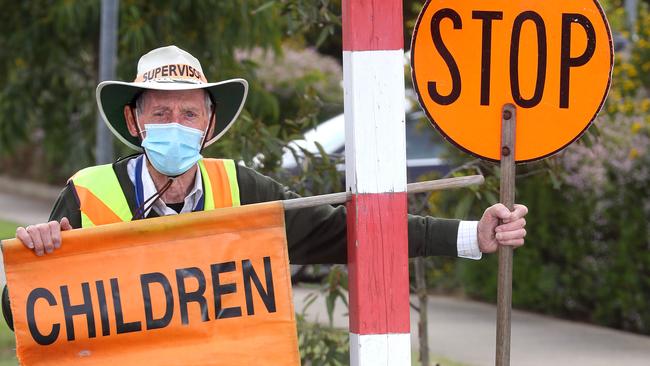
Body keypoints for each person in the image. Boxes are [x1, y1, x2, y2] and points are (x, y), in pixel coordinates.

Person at [4, 46, 527, 328]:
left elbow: (350, 232)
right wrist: (42, 260)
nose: (176, 123)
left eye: (189, 113)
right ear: (135, 120)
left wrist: (469, 237)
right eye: (160, 111)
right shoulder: (89, 193)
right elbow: (20, 311)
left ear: (209, 126)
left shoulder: (242, 188)